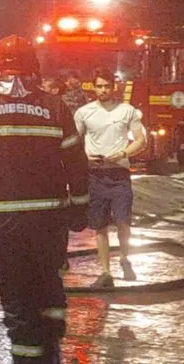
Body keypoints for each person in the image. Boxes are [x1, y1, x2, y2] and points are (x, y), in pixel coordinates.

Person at [0, 35, 89, 363]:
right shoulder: (56, 106)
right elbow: (75, 159)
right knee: (47, 276)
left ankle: (27, 353)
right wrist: (81, 203)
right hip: (50, 216)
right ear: (34, 67)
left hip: (5, 217)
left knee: (16, 290)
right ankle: (52, 336)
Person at [74, 68, 146, 288]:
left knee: (123, 221)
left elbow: (141, 140)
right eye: (99, 86)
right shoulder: (84, 112)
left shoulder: (127, 111)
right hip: (95, 176)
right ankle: (105, 272)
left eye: (107, 86)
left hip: (119, 175)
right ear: (93, 87)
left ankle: (125, 257)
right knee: (100, 226)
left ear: (114, 87)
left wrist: (123, 153)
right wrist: (85, 156)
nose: (103, 90)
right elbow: (75, 142)